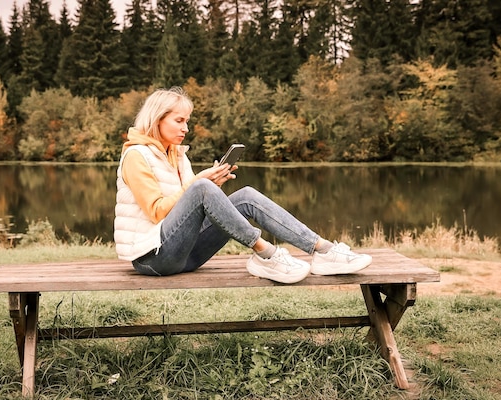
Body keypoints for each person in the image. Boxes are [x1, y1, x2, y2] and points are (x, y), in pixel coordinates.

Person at [114, 87, 372, 284]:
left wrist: (213, 185)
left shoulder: (177, 155)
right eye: (179, 121)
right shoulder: (137, 156)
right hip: (153, 258)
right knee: (201, 188)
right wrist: (200, 184)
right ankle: (267, 255)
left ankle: (323, 250)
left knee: (245, 196)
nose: (186, 128)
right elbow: (157, 211)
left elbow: (187, 208)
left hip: (186, 254)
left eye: (187, 121)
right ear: (157, 119)